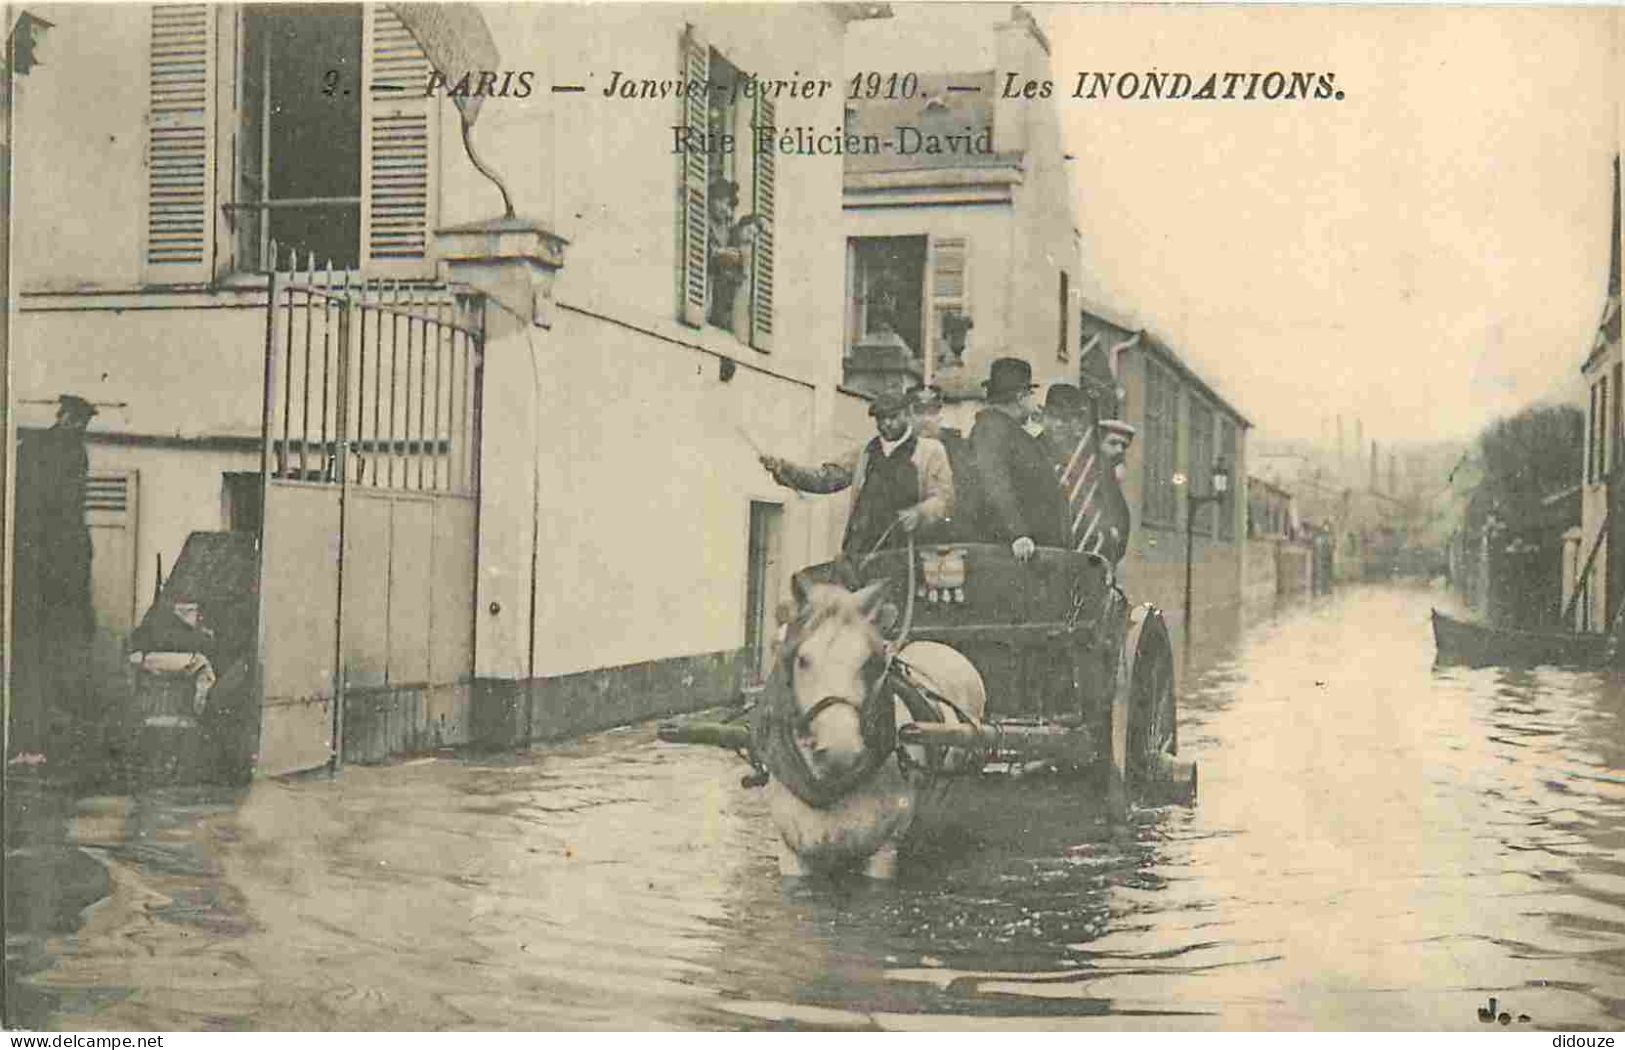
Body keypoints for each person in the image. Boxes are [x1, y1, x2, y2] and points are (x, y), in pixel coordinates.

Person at [760, 389, 954, 567]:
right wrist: (785, 469)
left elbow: (944, 498)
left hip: (907, 551)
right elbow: (827, 478)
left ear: (908, 414)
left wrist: (919, 513)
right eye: (880, 419)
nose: (886, 424)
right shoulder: (866, 453)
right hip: (861, 549)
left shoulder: (930, 451)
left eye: (893, 417)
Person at [11, 394, 98, 752]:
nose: (79, 427)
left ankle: (54, 725)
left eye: (84, 422)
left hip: (64, 566)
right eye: (75, 419)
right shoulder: (37, 450)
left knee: (63, 647)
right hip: (41, 566)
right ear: (62, 417)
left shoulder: (74, 453)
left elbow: (73, 510)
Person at [968, 358, 1067, 561]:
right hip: (1012, 553)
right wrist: (1017, 533)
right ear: (1021, 397)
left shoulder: (1008, 430)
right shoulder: (992, 429)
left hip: (1027, 552)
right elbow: (994, 480)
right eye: (1031, 394)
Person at [909, 385, 981, 541]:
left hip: (952, 536)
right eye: (919, 412)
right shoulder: (901, 449)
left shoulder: (958, 448)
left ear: (941, 416)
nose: (926, 419)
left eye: (932, 412)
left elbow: (966, 495)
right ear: (908, 416)